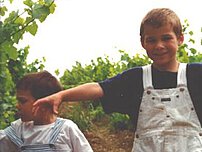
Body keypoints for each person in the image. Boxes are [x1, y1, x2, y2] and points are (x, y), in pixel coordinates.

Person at [33, 8, 202, 151]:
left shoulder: (196, 75)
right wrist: (61, 96)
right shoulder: (135, 78)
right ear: (143, 43)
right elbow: (99, 88)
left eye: (166, 38)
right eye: (151, 40)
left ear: (180, 38)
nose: (159, 45)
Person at [0, 71, 93, 152]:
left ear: (44, 103)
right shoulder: (18, 130)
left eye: (22, 101)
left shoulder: (66, 129)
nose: (17, 105)